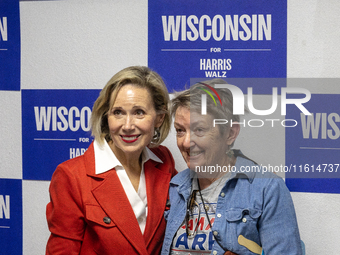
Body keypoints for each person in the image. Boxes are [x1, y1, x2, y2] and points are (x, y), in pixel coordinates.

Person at [161, 79, 303, 255]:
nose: (186, 142)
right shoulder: (176, 187)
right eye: (180, 130)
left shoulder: (267, 189)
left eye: (199, 130)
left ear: (230, 133)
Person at [46, 66, 177, 255]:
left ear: (159, 118)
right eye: (118, 112)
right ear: (106, 117)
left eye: (139, 112)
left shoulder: (164, 160)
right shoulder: (71, 176)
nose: (128, 125)